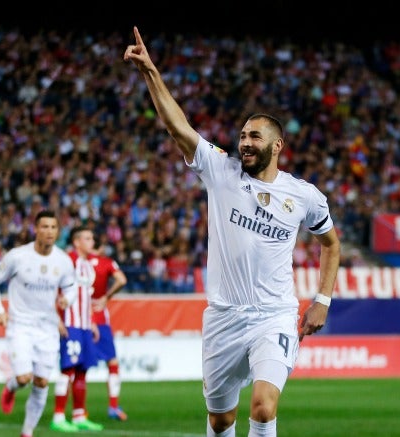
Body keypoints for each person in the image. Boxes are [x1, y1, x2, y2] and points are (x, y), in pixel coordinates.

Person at [124, 27, 341, 437]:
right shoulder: (221, 171)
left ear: (277, 146)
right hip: (223, 318)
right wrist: (150, 72)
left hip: (274, 316)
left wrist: (322, 300)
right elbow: (178, 127)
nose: (244, 142)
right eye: (242, 135)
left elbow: (331, 244)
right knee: (221, 420)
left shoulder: (305, 196)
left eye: (254, 137)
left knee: (263, 407)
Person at [0, 210, 78, 437]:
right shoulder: (18, 256)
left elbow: (71, 285)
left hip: (47, 328)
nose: (49, 232)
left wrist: (68, 299)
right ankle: (11, 388)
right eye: (44, 227)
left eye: (53, 228)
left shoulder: (63, 261)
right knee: (23, 378)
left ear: (58, 231)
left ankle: (27, 432)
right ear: (35, 229)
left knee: (41, 382)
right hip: (21, 325)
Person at [51, 225, 105, 432]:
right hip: (70, 324)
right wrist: (57, 319)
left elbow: (86, 297)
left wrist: (91, 321)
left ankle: (79, 416)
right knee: (68, 370)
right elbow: (53, 289)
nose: (92, 242)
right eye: (88, 238)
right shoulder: (68, 261)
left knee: (82, 371)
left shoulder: (87, 266)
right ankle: (58, 417)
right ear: (77, 242)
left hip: (83, 325)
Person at [89, 235, 129, 421]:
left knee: (78, 368)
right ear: (102, 246)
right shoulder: (107, 262)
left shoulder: (76, 262)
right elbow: (121, 280)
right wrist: (106, 296)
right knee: (112, 363)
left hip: (79, 317)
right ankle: (113, 406)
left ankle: (78, 411)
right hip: (99, 316)